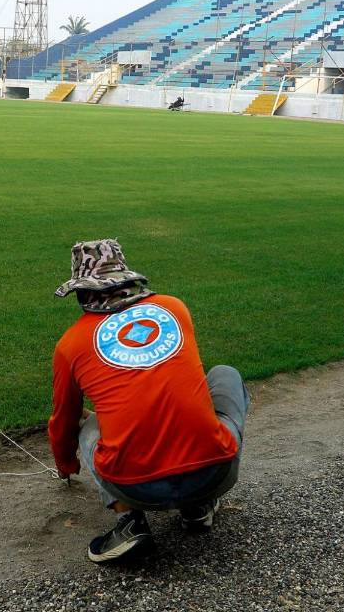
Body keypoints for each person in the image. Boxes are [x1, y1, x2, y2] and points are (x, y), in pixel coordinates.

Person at [49, 239, 249, 563]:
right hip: (216, 472)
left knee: (92, 424)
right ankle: (198, 506)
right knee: (225, 374)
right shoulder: (174, 307)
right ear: (128, 279)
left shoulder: (70, 344)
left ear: (83, 292)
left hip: (136, 486)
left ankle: (128, 521)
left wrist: (66, 466)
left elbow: (64, 420)